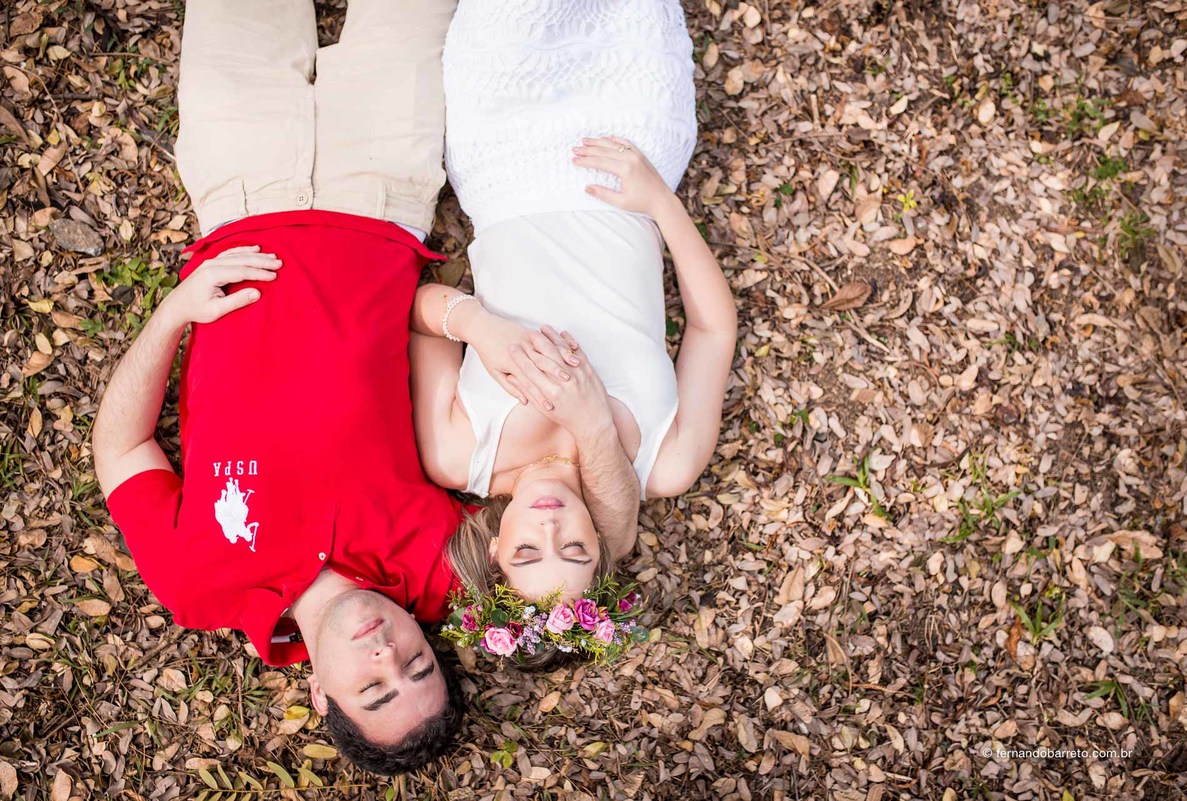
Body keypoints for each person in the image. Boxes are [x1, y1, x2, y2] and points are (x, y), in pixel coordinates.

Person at [93, 0, 467, 775]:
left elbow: (121, 446)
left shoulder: (200, 584)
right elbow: (586, 532)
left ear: (323, 696)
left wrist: (171, 317)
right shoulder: (438, 564)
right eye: (419, 667)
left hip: (236, 189)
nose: (387, 654)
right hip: (382, 190)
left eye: (374, 687)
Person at [409, 0, 738, 613]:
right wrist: (661, 203)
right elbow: (714, 330)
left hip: (503, 157)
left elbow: (418, 317)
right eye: (575, 551)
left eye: (530, 551)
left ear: (497, 552)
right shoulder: (664, 464)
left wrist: (480, 326)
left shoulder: (459, 455)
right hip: (628, 156)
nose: (550, 529)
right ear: (599, 547)